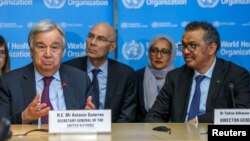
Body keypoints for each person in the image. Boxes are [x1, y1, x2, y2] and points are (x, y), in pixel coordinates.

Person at [145, 21, 250, 123]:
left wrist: (199, 121)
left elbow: (243, 115)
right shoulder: (175, 77)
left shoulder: (237, 75)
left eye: (192, 45)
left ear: (211, 48)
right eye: (184, 46)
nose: (186, 51)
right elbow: (155, 115)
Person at [0, 19, 90, 124]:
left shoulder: (81, 79)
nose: (48, 54)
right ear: (31, 51)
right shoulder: (9, 82)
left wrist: (89, 117)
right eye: (41, 47)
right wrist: (24, 117)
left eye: (54, 47)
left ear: (63, 52)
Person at [64, 22, 137, 122]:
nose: (92, 42)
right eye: (90, 36)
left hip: (114, 133)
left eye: (100, 39)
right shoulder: (68, 69)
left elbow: (127, 117)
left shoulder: (125, 74)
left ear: (112, 47)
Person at [135, 35, 176, 122]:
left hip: (173, 131)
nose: (158, 56)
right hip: (142, 131)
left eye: (164, 52)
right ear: (149, 53)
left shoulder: (179, 78)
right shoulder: (136, 77)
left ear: (171, 55)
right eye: (154, 51)